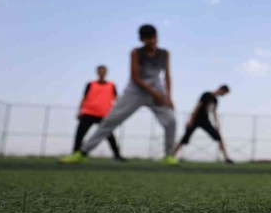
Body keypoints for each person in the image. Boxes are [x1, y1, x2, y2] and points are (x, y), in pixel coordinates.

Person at [59, 24, 178, 165]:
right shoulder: (135, 52)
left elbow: (167, 75)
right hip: (135, 92)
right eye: (148, 39)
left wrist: (168, 97)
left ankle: (169, 155)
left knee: (171, 121)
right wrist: (154, 93)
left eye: (154, 38)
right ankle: (82, 152)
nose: (152, 41)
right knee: (110, 121)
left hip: (156, 92)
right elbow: (135, 77)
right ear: (142, 40)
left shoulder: (164, 53)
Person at [71, 65, 125, 161]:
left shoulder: (111, 85)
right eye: (100, 71)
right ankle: (75, 153)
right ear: (97, 72)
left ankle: (117, 155)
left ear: (106, 73)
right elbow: (84, 98)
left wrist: (118, 113)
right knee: (80, 134)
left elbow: (116, 99)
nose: (102, 73)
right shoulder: (90, 84)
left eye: (104, 71)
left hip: (104, 114)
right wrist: (80, 111)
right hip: (89, 113)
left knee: (110, 135)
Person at [171, 85, 233, 163]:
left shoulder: (215, 101)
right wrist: (190, 120)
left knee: (218, 137)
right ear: (222, 90)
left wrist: (217, 124)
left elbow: (214, 113)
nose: (224, 95)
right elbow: (197, 107)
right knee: (184, 138)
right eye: (224, 93)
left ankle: (226, 158)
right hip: (196, 119)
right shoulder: (206, 95)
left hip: (205, 121)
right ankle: (171, 156)